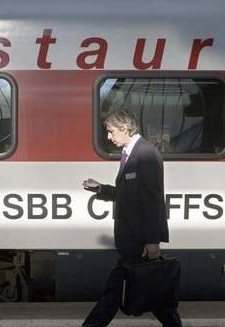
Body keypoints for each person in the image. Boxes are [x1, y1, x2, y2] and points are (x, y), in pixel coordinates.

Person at [82, 110, 182, 327]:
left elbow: (151, 199)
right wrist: (101, 189)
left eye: (111, 131)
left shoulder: (145, 154)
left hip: (139, 241)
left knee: (113, 295)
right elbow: (128, 193)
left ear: (125, 129)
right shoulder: (131, 152)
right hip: (133, 239)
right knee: (155, 299)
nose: (109, 137)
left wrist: (152, 240)